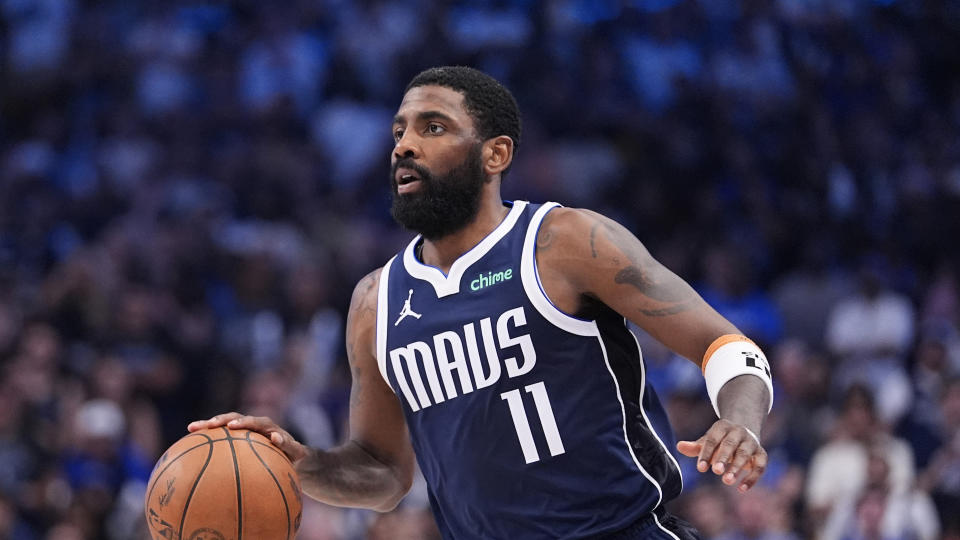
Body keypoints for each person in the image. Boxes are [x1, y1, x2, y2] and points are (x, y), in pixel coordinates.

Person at [187, 66, 774, 539]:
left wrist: (740, 422)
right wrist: (300, 465)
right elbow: (385, 473)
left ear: (496, 155)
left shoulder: (565, 242)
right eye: (398, 132)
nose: (404, 146)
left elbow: (727, 346)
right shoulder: (375, 302)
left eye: (433, 127)